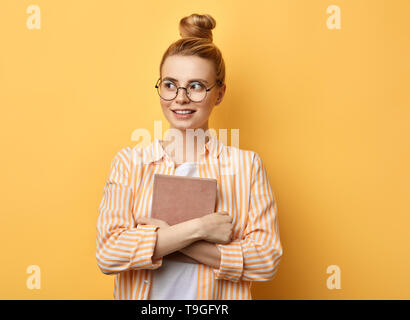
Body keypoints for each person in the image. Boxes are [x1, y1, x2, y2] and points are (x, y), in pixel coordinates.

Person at [96, 13, 283, 300]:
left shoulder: (247, 167)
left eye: (196, 86)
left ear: (219, 93)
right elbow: (108, 254)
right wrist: (201, 228)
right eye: (170, 84)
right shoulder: (129, 163)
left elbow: (266, 260)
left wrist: (166, 236)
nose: (180, 98)